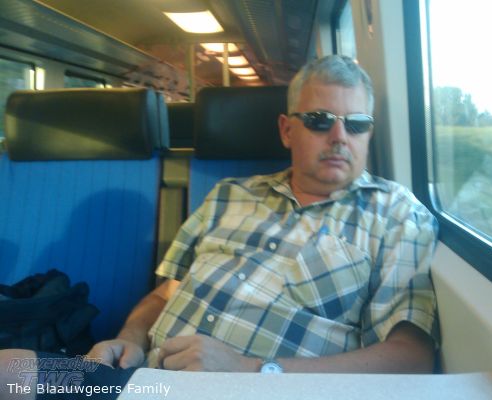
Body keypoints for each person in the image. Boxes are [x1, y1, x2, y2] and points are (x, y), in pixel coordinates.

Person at [0, 55, 438, 398]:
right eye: (320, 120)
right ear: (287, 130)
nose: (340, 137)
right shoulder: (229, 194)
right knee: (8, 371)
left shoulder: (396, 213)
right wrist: (129, 337)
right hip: (147, 384)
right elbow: (166, 293)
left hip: (259, 391)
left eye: (357, 124)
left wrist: (252, 370)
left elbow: (412, 357)